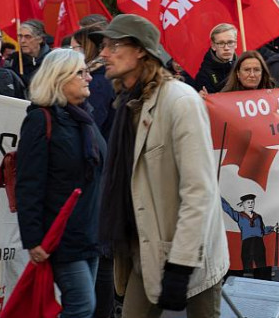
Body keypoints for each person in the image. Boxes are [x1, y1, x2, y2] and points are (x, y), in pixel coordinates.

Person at [92, 14, 229, 317]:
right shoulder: (128, 103)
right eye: (103, 45)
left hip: (191, 252)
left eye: (113, 45)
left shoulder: (179, 101)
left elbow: (199, 191)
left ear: (141, 50)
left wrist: (180, 265)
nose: (103, 53)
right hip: (144, 248)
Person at [16, 49, 107, 318]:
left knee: (86, 307)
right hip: (61, 235)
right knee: (81, 307)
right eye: (81, 72)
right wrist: (34, 239)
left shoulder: (85, 118)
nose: (89, 78)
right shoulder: (40, 119)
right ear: (59, 78)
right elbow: (29, 182)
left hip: (91, 231)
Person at [71, 26, 116, 318]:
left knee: (91, 291)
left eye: (76, 48)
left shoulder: (98, 86)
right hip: (95, 202)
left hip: (94, 199)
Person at [221, 195, 278, 281]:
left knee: (262, 267)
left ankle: (263, 289)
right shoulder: (240, 216)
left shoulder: (258, 217)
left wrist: (272, 228)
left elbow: (262, 230)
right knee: (239, 266)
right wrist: (219, 196)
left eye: (252, 202)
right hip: (247, 243)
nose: (250, 204)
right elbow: (228, 209)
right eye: (248, 202)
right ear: (243, 204)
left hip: (259, 243)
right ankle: (235, 289)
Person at [195, 23, 238, 94]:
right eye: (221, 43)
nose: (226, 48)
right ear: (213, 45)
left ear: (236, 44)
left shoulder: (243, 67)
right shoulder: (203, 75)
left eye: (230, 42)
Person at [10, 19, 52, 85]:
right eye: (20, 36)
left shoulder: (53, 60)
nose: (22, 41)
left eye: (28, 37)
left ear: (40, 39)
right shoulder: (13, 59)